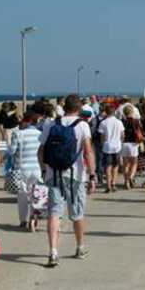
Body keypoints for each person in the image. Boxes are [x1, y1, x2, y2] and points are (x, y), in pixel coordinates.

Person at [38, 94, 95, 268]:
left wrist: (44, 169)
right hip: (75, 175)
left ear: (64, 107)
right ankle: (80, 247)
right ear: (78, 109)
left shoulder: (50, 124)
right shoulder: (83, 125)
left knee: (54, 213)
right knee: (77, 213)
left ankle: (53, 251)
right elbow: (88, 152)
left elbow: (40, 151)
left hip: (53, 175)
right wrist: (92, 175)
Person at [10, 111, 45, 232]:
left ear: (27, 121)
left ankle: (23, 220)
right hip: (36, 168)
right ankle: (33, 219)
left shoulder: (18, 134)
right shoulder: (41, 134)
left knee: (22, 196)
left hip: (22, 169)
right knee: (35, 195)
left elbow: (12, 151)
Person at [97, 105, 124, 193]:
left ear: (106, 112)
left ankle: (108, 185)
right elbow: (122, 135)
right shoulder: (119, 122)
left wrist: (102, 145)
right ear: (114, 112)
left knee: (107, 167)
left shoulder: (103, 122)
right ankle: (114, 183)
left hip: (107, 147)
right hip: (117, 146)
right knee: (115, 166)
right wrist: (120, 142)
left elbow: (102, 136)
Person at [120, 106, 143, 189]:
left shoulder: (122, 121)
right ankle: (131, 177)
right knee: (134, 163)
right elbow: (140, 131)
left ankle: (126, 181)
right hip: (134, 144)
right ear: (132, 112)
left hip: (124, 143)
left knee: (125, 164)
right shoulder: (136, 121)